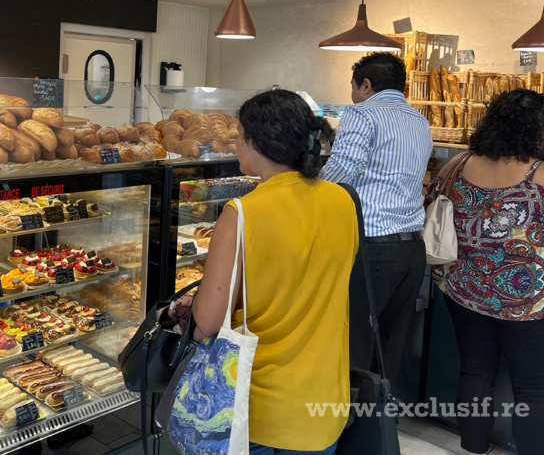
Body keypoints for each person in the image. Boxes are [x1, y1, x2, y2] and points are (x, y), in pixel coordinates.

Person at [191, 89, 358, 455]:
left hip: (258, 408)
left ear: (256, 141)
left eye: (239, 136)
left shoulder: (242, 213)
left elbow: (208, 322)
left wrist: (190, 305)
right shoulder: (343, 201)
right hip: (324, 401)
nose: (235, 145)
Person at [424, 89, 544, 455]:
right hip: (527, 302)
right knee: (534, 388)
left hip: (464, 290)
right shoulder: (539, 173)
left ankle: (474, 448)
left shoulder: (458, 164)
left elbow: (430, 204)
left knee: (475, 372)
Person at [320, 52, 433, 382]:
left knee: (354, 344)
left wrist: (307, 190)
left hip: (373, 248)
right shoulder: (419, 121)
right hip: (412, 251)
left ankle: (349, 428)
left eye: (353, 87)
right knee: (388, 348)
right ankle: (379, 427)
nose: (352, 95)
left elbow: (343, 169)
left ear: (366, 85)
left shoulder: (361, 113)